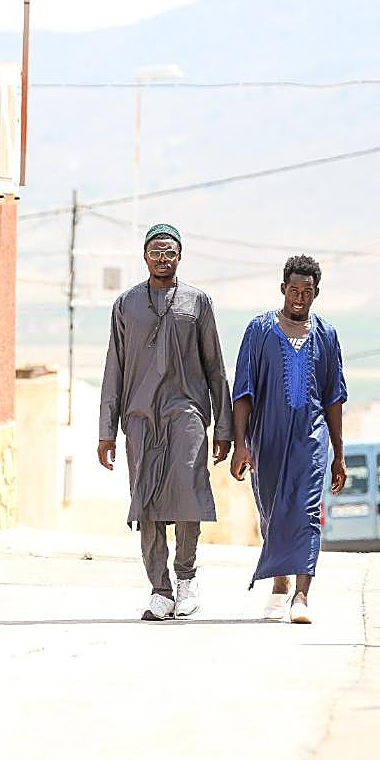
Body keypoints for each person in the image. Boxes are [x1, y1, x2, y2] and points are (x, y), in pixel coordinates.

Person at [98, 224, 232, 621]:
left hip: (187, 412)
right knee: (146, 500)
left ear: (180, 257)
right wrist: (106, 431)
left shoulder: (197, 302)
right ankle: (160, 590)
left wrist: (223, 428)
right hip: (140, 416)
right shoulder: (126, 304)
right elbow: (114, 369)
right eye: (155, 251)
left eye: (169, 252)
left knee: (189, 491)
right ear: (144, 256)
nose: (162, 258)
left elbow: (215, 367)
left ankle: (186, 579)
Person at [230, 255, 347, 624]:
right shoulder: (259, 330)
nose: (299, 297)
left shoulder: (327, 335)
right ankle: (279, 584)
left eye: (307, 292)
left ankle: (301, 595)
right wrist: (240, 445)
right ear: (283, 289)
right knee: (272, 511)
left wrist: (338, 454)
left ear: (316, 293)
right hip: (267, 437)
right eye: (293, 290)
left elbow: (334, 398)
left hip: (311, 436)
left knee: (307, 512)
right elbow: (243, 391)